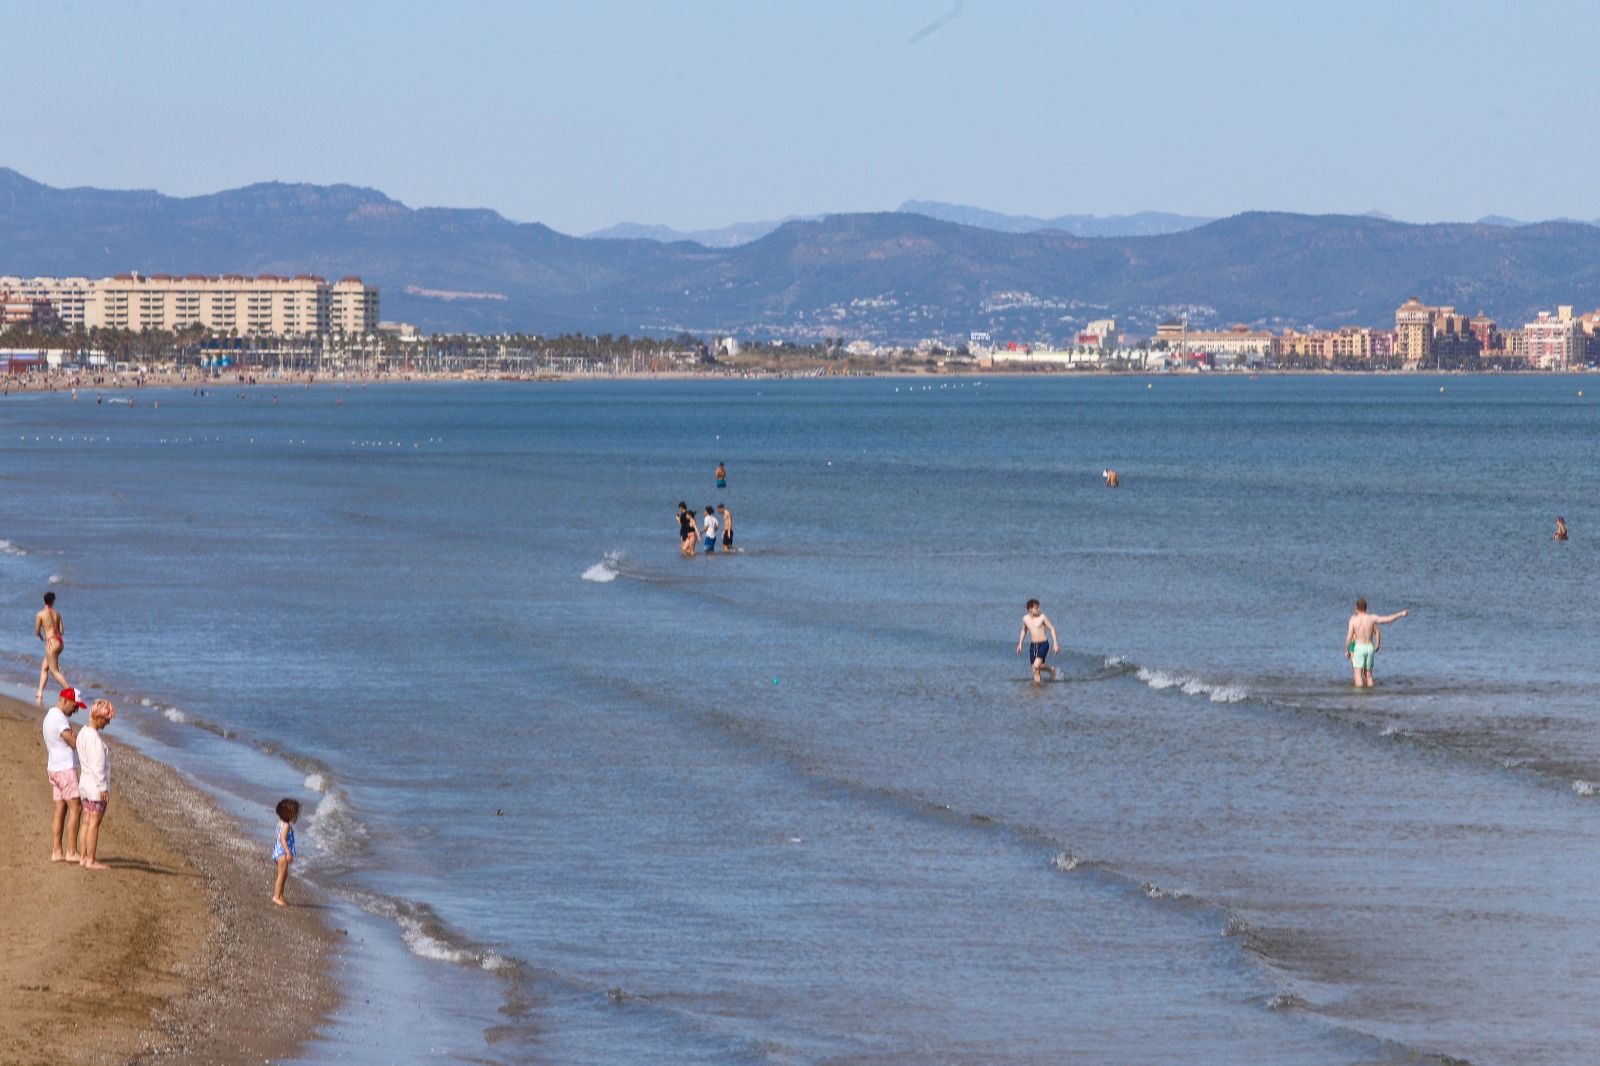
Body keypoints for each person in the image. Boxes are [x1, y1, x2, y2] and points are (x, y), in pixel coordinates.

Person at [43, 687, 86, 862]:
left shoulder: (50, 716)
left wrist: (72, 737)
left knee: (61, 808)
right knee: (77, 807)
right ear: (65, 701)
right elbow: (74, 743)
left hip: (54, 768)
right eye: (75, 706)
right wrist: (79, 738)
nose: (76, 710)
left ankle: (57, 851)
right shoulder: (59, 718)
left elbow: (67, 739)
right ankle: (71, 851)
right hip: (65, 769)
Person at [76, 699, 116, 870]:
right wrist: (103, 788)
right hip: (94, 787)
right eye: (106, 720)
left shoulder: (83, 732)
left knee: (86, 821)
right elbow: (98, 766)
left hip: (84, 784)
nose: (107, 723)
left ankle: (83, 856)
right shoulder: (95, 740)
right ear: (98, 717)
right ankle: (91, 859)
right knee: (94, 823)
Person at [1344, 598, 1409, 688]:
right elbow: (1388, 619)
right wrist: (1400, 614)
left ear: (1356, 608)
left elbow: (1349, 637)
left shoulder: (1353, 620)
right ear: (1366, 608)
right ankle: (1371, 693)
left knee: (1358, 675)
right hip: (1370, 647)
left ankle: (1359, 695)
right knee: (1369, 675)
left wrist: (1347, 650)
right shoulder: (1372, 618)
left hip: (1359, 647)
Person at [34, 591, 69, 705]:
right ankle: (39, 692)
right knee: (44, 667)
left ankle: (69, 692)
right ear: (53, 601)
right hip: (59, 642)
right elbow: (62, 631)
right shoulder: (57, 614)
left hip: (50, 643)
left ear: (44, 601)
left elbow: (37, 631)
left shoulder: (40, 614)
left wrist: (41, 637)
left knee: (54, 671)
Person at [1016, 599, 1061, 684]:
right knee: (1035, 669)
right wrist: (1020, 643)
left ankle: (1051, 669)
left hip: (1043, 644)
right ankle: (1038, 690)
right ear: (1030, 609)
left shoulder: (1042, 617)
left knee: (1036, 665)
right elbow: (1024, 630)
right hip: (1033, 646)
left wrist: (1055, 644)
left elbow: (1052, 628)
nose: (1038, 609)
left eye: (1039, 607)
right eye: (1036, 608)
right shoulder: (1025, 619)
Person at [271, 797, 301, 906]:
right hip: (282, 853)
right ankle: (276, 896)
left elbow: (277, 837)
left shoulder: (280, 823)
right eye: (295, 814)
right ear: (290, 815)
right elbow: (282, 839)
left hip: (278, 851)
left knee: (284, 874)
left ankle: (280, 895)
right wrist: (288, 852)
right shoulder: (286, 826)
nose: (296, 816)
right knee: (281, 874)